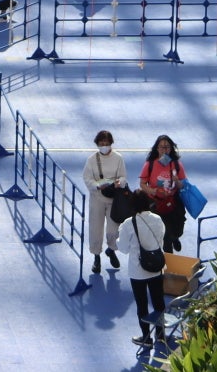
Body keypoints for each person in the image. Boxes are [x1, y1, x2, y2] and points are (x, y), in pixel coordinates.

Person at [121, 191, 169, 348]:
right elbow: (161, 238)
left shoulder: (129, 223)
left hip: (137, 271)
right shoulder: (158, 219)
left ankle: (146, 338)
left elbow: (123, 249)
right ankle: (161, 335)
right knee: (159, 302)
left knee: (142, 305)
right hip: (156, 268)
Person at [83, 130, 129, 274]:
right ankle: (96, 257)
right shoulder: (91, 160)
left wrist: (118, 182)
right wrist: (97, 185)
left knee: (113, 228)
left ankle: (111, 250)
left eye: (107, 144)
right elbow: (87, 178)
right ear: (97, 144)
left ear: (111, 144)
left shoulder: (118, 158)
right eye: (102, 144)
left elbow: (123, 177)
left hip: (113, 199)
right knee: (95, 228)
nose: (104, 146)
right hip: (97, 198)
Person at [139, 134, 189, 253]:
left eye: (167, 147)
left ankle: (175, 237)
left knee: (177, 230)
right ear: (157, 149)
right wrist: (152, 190)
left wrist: (177, 182)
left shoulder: (177, 165)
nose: (164, 150)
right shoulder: (149, 164)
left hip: (173, 203)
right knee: (165, 235)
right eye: (161, 147)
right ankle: (168, 262)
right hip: (156, 204)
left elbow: (183, 185)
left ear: (171, 148)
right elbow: (142, 184)